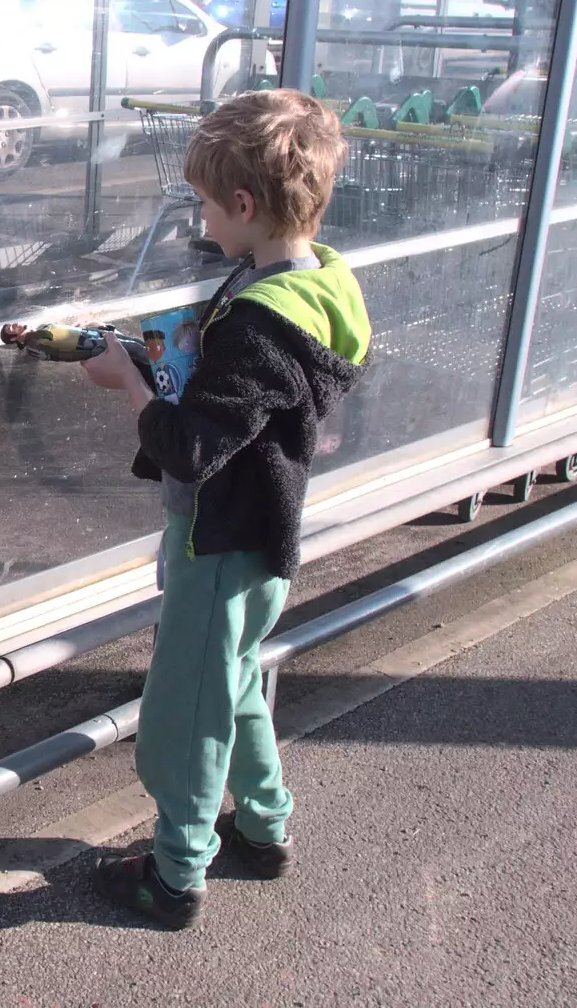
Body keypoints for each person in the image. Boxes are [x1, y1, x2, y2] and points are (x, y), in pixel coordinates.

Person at [78, 89, 371, 928]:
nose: (202, 221)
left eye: (207, 204)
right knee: (234, 684)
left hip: (221, 541)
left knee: (185, 715)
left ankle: (175, 877)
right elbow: (235, 405)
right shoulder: (312, 284)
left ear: (244, 206)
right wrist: (152, 359)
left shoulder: (258, 323)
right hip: (260, 538)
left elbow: (195, 447)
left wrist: (131, 387)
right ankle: (266, 828)